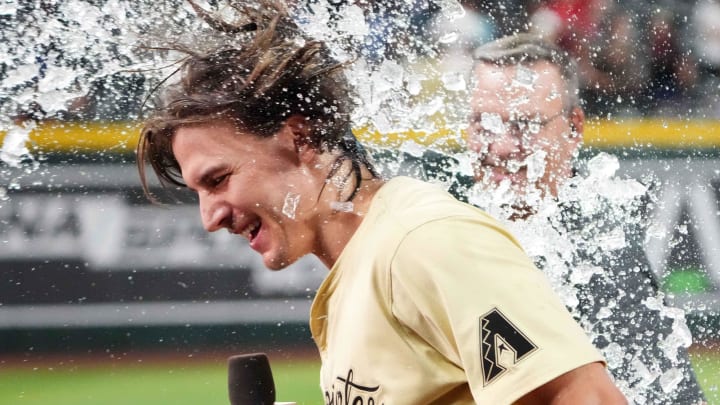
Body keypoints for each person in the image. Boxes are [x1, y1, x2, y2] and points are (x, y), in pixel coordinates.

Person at [136, 2, 626, 403]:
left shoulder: (423, 241)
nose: (209, 217)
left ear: (298, 137)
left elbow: (587, 397)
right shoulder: (366, 262)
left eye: (218, 179)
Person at [465, 33, 706, 404]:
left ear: (574, 127)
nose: (501, 147)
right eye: (485, 124)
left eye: (525, 125)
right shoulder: (449, 227)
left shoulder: (599, 258)